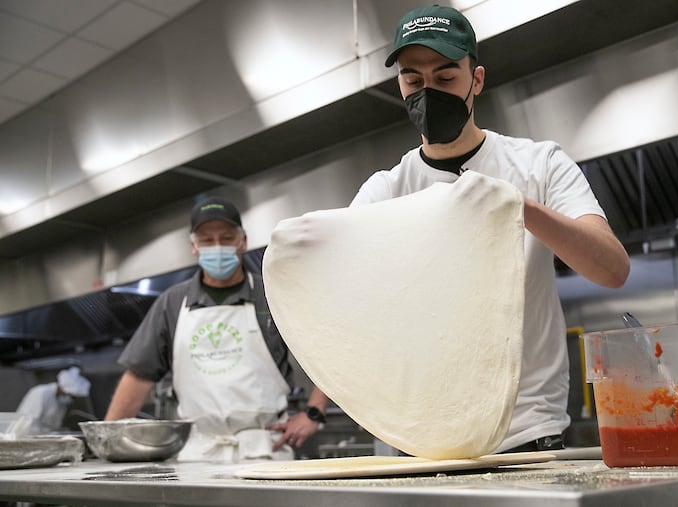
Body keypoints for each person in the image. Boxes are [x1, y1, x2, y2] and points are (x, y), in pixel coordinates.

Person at [351, 5, 630, 453]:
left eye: (445, 79)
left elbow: (612, 269)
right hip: (424, 442)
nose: (428, 93)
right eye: (413, 81)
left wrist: (519, 207)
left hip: (525, 432)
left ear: (476, 79)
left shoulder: (538, 164)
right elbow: (347, 305)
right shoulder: (384, 192)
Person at [105, 196, 330, 462]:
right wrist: (107, 446)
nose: (217, 247)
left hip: (265, 452)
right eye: (207, 241)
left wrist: (314, 413)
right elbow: (138, 376)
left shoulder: (272, 294)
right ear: (194, 246)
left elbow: (328, 350)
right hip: (195, 455)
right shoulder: (173, 302)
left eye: (226, 238)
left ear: (243, 241)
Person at [16, 366, 91, 434]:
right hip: (28, 436)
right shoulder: (41, 393)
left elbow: (54, 425)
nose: (71, 399)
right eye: (71, 396)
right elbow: (28, 422)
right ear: (63, 389)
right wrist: (46, 434)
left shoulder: (60, 403)